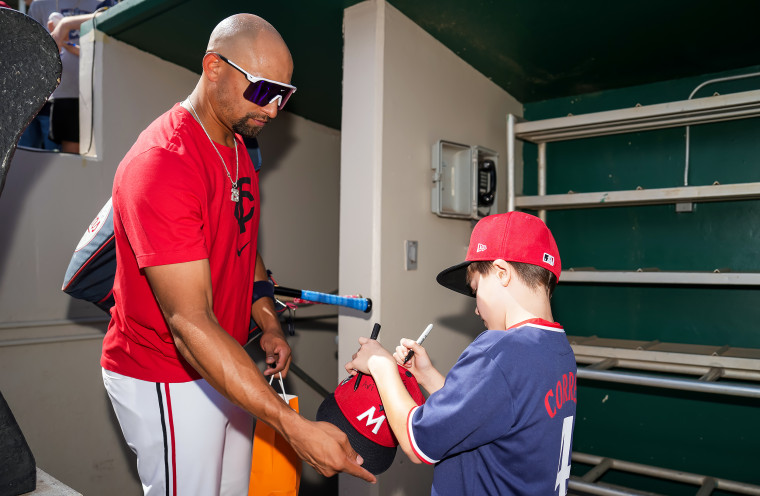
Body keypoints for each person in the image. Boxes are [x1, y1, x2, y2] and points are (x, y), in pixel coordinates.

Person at [101, 13, 375, 495]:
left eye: (284, 96)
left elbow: (243, 241)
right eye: (264, 90)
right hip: (168, 373)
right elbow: (189, 326)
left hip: (226, 363)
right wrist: (294, 428)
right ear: (213, 67)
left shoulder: (238, 147)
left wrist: (266, 318)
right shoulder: (163, 165)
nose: (273, 111)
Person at [346, 211, 577, 495]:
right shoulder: (557, 349)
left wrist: (380, 364)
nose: (477, 309)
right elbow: (491, 411)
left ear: (502, 273)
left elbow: (417, 441)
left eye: (476, 289)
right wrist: (429, 377)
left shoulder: (499, 350)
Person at [26, 0, 115, 153]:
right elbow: (30, 51)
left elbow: (110, 40)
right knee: (67, 160)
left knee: (101, 153)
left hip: (101, 93)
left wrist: (65, 25)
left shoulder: (104, 2)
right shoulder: (39, 5)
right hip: (60, 96)